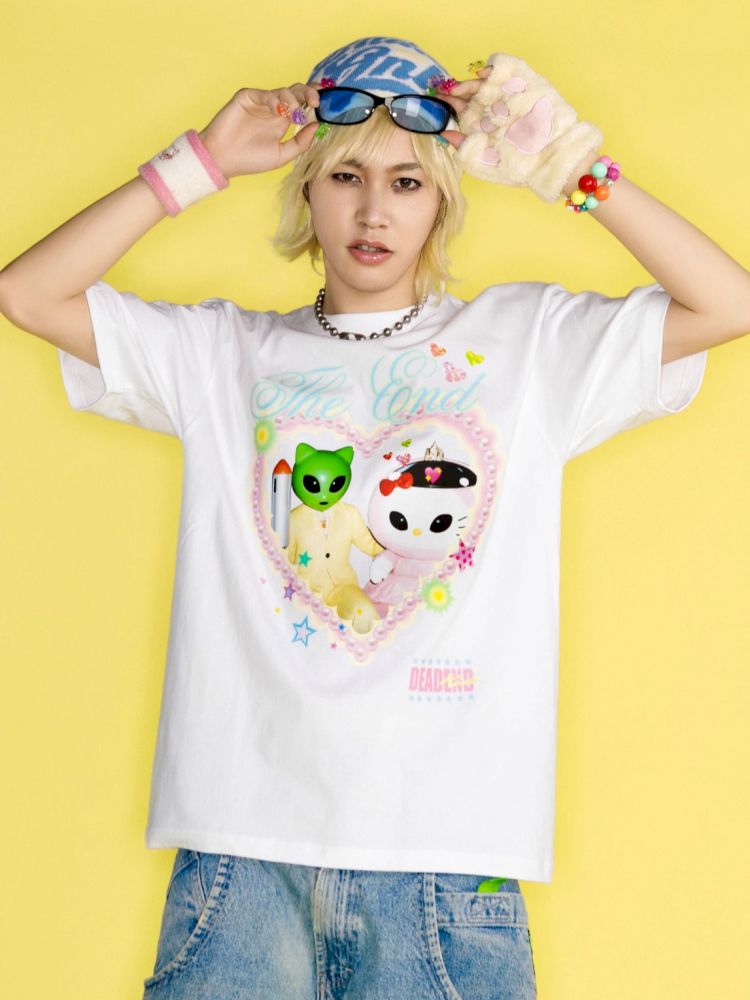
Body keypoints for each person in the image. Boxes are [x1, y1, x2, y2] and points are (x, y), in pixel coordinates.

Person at [1, 34, 748, 1000]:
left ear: (442, 199)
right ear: (306, 188)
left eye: (407, 182)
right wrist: (202, 163)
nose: (372, 211)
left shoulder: (529, 347)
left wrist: (572, 166)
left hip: (449, 861)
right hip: (241, 859)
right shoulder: (221, 355)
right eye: (346, 176)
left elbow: (727, 303)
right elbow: (27, 292)